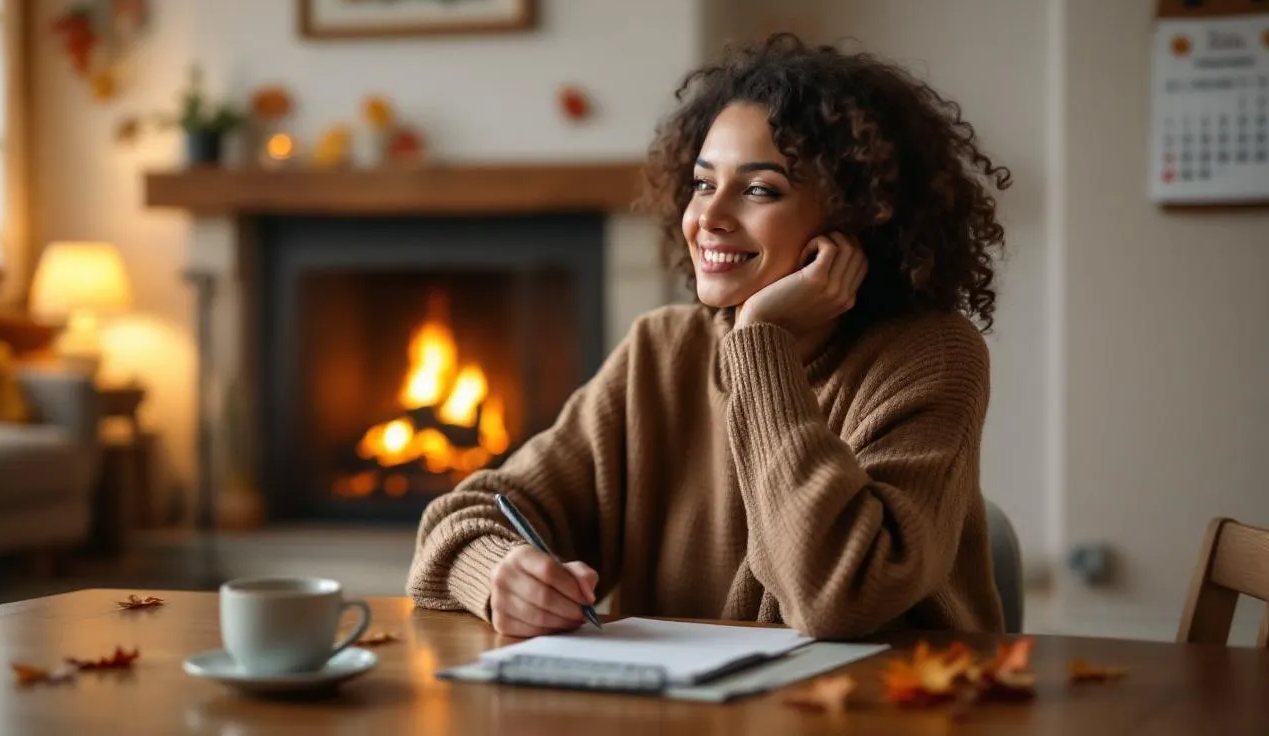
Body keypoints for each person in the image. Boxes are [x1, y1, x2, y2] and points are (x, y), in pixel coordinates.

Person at [406, 33, 1009, 639]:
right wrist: (498, 576)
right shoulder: (663, 350)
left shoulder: (930, 356)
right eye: (702, 183)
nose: (709, 218)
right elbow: (461, 519)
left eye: (758, 189)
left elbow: (839, 596)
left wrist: (761, 342)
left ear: (859, 216)